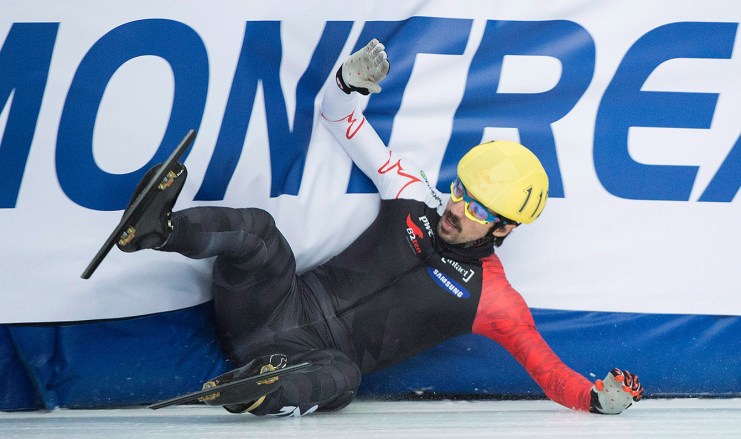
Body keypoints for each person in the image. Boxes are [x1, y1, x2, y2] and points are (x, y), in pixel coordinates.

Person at [117, 39, 643, 417]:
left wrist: (598, 399)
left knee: (345, 380)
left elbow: (549, 372)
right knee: (260, 235)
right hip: (272, 303)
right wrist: (352, 83)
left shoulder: (495, 300)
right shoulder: (412, 191)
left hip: (307, 364)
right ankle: (155, 230)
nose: (457, 208)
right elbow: (339, 116)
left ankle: (257, 391)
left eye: (479, 210)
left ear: (503, 230)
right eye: (461, 190)